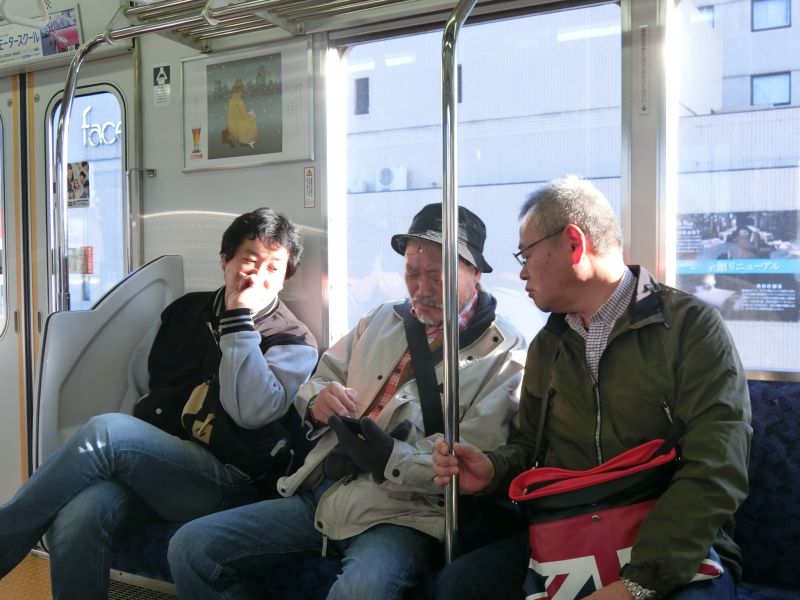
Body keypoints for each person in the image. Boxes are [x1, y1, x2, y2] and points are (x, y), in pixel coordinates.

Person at [167, 203, 526, 599]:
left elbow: (475, 461)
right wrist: (317, 402)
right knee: (191, 548)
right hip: (327, 489)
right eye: (411, 273)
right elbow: (319, 379)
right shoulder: (381, 320)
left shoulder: (505, 357)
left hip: (405, 514)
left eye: (436, 276)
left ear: (475, 273)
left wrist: (392, 458)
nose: (421, 289)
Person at [432, 176, 752, 600]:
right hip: (572, 534)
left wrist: (638, 584)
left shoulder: (690, 328)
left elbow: (717, 467)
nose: (521, 272)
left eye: (526, 254)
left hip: (675, 545)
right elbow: (530, 448)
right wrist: (493, 470)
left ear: (573, 243)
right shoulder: (549, 344)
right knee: (455, 587)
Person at [0, 207, 318, 600]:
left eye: (274, 268)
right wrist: (130, 458)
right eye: (250, 261)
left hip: (227, 481)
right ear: (225, 261)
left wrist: (238, 319)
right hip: (160, 470)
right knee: (80, 513)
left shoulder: (294, 340)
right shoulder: (183, 311)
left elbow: (251, 413)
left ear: (285, 278)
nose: (259, 276)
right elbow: (140, 386)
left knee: (106, 430)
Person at [226, 78, 257, 149]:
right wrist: (251, 118)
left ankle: (237, 140)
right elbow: (244, 113)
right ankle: (244, 140)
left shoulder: (232, 99)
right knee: (250, 122)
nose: (243, 93)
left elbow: (238, 112)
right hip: (236, 120)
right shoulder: (239, 100)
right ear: (240, 91)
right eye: (242, 91)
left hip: (231, 120)